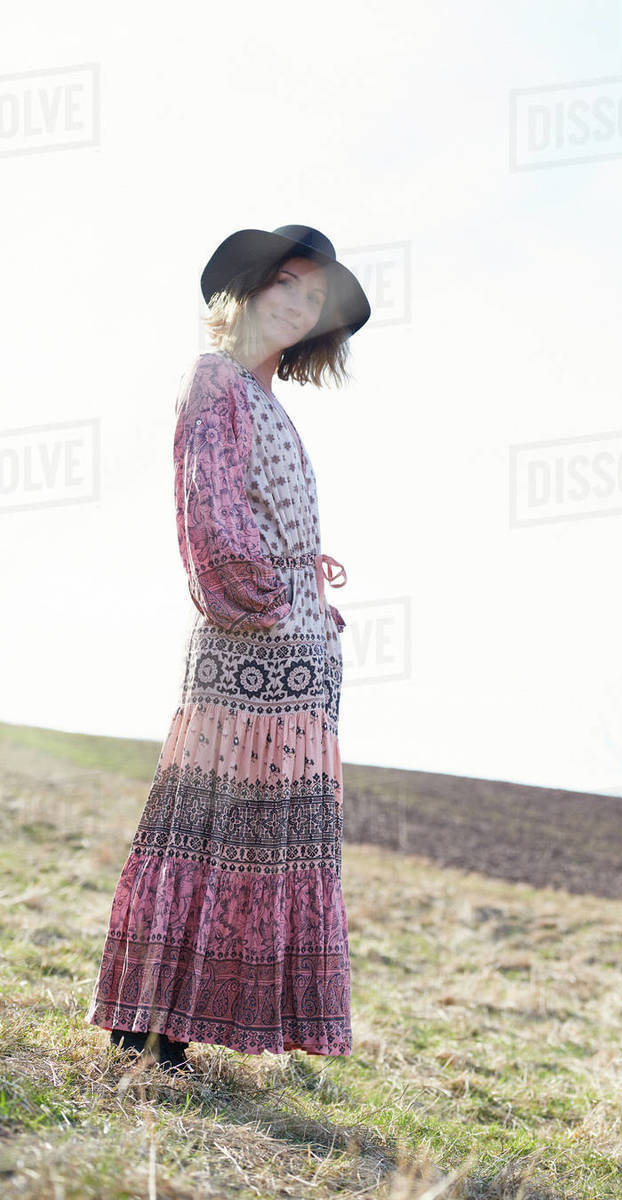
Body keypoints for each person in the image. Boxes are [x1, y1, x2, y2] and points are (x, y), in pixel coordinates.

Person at [85, 226, 371, 1072]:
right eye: (288, 282)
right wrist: (270, 601)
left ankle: (170, 1029)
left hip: (298, 648)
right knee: (207, 828)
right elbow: (208, 507)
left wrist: (312, 609)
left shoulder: (271, 403)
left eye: (315, 299)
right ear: (247, 290)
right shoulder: (213, 380)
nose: (300, 303)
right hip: (251, 637)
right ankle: (148, 1027)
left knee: (256, 838)